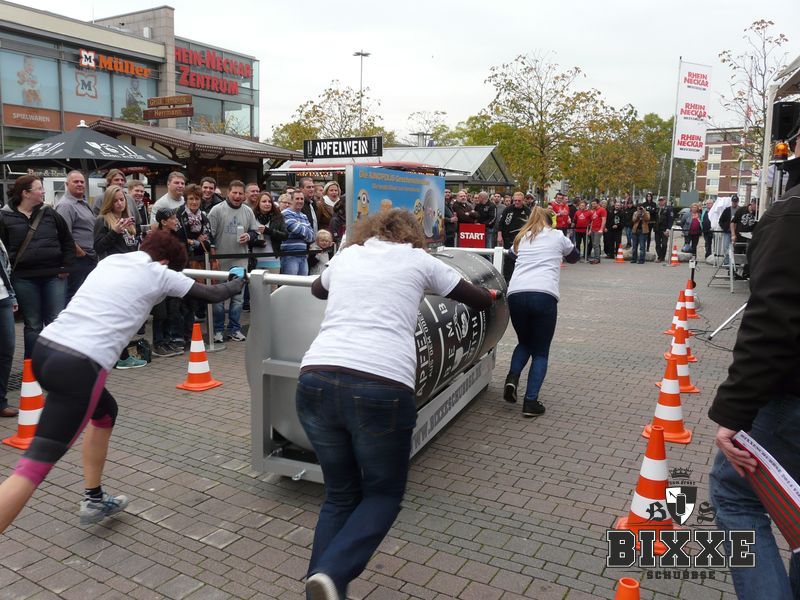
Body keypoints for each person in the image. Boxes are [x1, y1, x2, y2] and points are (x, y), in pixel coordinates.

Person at [296, 209, 500, 600]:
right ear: (413, 235)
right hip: (381, 386)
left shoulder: (348, 255)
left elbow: (318, 290)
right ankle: (333, 574)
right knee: (383, 494)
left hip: (316, 379)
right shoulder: (419, 260)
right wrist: (488, 294)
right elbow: (476, 299)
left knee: (339, 494)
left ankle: (323, 585)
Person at [0, 230, 246, 533]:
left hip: (47, 349)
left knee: (105, 413)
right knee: (32, 468)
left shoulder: (112, 260)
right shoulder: (160, 273)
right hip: (80, 365)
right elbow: (215, 294)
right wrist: (239, 280)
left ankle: (94, 498)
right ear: (165, 262)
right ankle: (90, 498)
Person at [708, 172, 800, 600]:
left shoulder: (791, 213)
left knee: (734, 493)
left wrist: (732, 413)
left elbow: (773, 320)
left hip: (787, 399)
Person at [503, 206, 578, 417]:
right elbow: (574, 256)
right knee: (541, 351)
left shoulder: (522, 237)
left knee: (525, 342)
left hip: (516, 293)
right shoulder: (557, 236)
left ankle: (512, 378)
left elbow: (510, 255)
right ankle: (530, 402)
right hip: (544, 293)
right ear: (549, 221)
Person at [1, 175, 74, 359]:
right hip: (24, 278)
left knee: (55, 321)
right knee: (33, 324)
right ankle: (31, 367)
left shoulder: (50, 213)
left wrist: (66, 265)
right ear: (26, 193)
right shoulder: (5, 216)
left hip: (54, 276)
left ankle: (54, 364)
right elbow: (3, 250)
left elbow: (67, 240)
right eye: (39, 188)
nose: (43, 192)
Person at [94, 185, 146, 369]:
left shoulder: (128, 220)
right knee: (115, 318)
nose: (119, 203)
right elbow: (98, 247)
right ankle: (118, 357)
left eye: (122, 199)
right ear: (109, 202)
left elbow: (130, 246)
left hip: (130, 273)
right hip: (113, 274)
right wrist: (114, 232)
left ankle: (121, 355)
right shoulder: (102, 220)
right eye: (115, 200)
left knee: (126, 318)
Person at [208, 180, 260, 343]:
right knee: (218, 299)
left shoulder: (248, 211)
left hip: (240, 260)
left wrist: (249, 236)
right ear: (228, 193)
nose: (237, 196)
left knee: (238, 299)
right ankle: (218, 330)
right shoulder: (217, 210)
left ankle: (234, 329)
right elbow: (209, 235)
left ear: (244, 195)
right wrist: (213, 258)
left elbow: (255, 231)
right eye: (234, 193)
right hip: (219, 261)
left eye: (240, 193)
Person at [176, 183, 215, 332]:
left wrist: (194, 242)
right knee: (184, 295)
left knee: (198, 291)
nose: (194, 202)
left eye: (197, 199)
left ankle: (193, 327)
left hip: (199, 259)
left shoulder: (203, 216)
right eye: (191, 198)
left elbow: (209, 239)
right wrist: (195, 241)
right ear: (186, 199)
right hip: (183, 259)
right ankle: (183, 331)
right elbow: (179, 238)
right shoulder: (179, 214)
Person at [55, 170, 97, 302]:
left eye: (82, 182)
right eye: (76, 182)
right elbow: (63, 235)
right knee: (75, 296)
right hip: (78, 259)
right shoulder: (65, 205)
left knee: (87, 295)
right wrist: (81, 254)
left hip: (89, 256)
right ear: (67, 184)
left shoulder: (82, 203)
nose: (80, 184)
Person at [0, 236, 18, 418]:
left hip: (2, 297)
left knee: (6, 350)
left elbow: (4, 267)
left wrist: (11, 296)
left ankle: (0, 401)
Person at [497, 192, 531, 281]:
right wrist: (499, 236)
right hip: (507, 237)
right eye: (515, 200)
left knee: (520, 259)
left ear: (523, 200)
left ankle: (519, 278)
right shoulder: (508, 209)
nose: (517, 202)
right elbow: (501, 223)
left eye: (519, 201)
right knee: (508, 259)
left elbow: (531, 225)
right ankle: (507, 279)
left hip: (521, 239)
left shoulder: (527, 211)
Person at [250, 192, 286, 275]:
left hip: (273, 259)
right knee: (256, 283)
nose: (267, 204)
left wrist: (268, 231)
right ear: (258, 203)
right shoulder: (251, 216)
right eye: (264, 201)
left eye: (269, 202)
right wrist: (256, 242)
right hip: (254, 259)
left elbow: (285, 235)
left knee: (273, 283)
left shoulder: (278, 217)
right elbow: (247, 235)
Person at [281, 190, 315, 276]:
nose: (300, 201)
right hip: (290, 255)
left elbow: (312, 237)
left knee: (302, 283)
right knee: (290, 283)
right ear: (291, 200)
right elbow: (295, 228)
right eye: (297, 199)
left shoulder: (304, 216)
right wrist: (305, 230)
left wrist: (301, 228)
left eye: (302, 199)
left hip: (303, 255)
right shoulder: (285, 213)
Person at [652, 197, 674, 263]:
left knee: (664, 244)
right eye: (660, 200)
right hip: (657, 229)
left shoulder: (669, 209)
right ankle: (660, 257)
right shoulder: (656, 209)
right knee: (657, 244)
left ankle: (662, 257)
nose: (660, 202)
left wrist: (668, 229)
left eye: (662, 200)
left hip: (664, 229)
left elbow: (670, 220)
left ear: (665, 201)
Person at [588, 198, 606, 264]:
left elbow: (604, 220)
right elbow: (592, 221)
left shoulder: (602, 210)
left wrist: (601, 229)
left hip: (598, 230)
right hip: (593, 229)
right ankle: (596, 257)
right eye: (592, 204)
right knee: (594, 244)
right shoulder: (594, 211)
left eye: (594, 204)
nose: (593, 205)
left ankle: (597, 259)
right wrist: (590, 230)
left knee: (596, 244)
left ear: (598, 204)